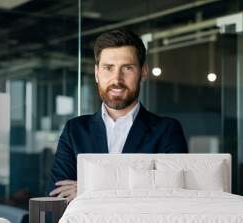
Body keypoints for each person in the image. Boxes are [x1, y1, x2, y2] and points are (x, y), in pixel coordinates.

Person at [47, 29, 188, 202]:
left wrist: (88, 189)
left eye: (127, 68)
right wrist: (133, 187)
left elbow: (169, 196)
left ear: (143, 72)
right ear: (97, 73)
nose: (117, 79)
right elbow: (57, 195)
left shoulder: (167, 130)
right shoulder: (74, 130)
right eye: (108, 68)